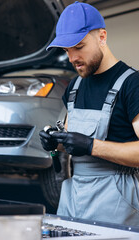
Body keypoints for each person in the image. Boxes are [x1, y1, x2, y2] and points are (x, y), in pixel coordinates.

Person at [39, 1, 139, 226]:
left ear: (102, 37)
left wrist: (92, 145)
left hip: (117, 203)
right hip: (74, 199)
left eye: (79, 46)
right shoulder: (74, 87)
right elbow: (73, 141)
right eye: (67, 50)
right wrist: (56, 144)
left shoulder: (132, 85)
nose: (72, 57)